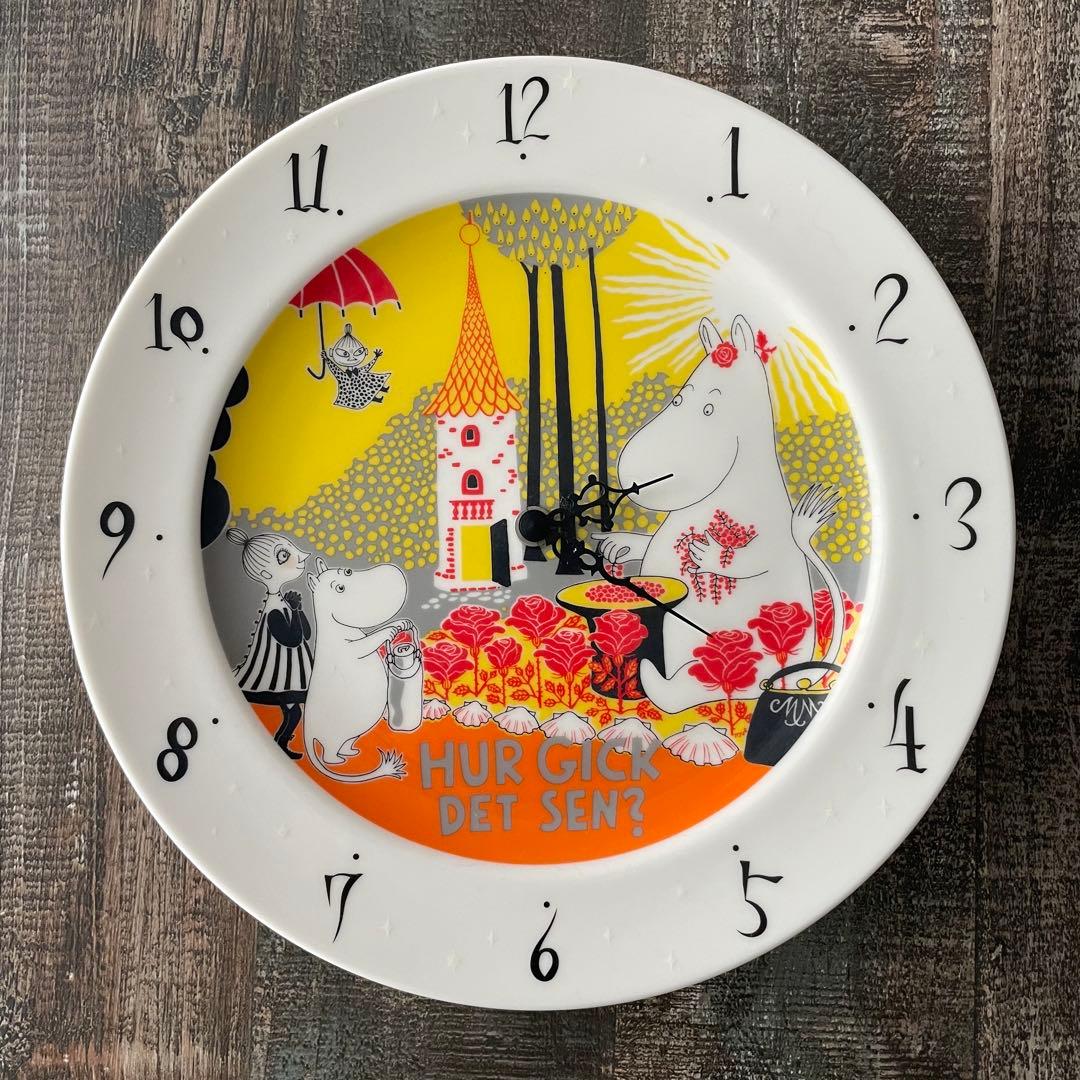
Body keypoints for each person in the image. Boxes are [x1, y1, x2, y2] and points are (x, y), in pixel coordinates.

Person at [227, 528, 314, 759]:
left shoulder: (283, 603)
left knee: (294, 712)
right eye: (284, 555)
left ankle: (280, 745)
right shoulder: (274, 610)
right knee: (294, 712)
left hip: (292, 673)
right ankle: (278, 746)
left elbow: (305, 634)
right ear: (265, 573)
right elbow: (291, 640)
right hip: (278, 677)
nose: (298, 557)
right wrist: (295, 610)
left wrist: (298, 610)